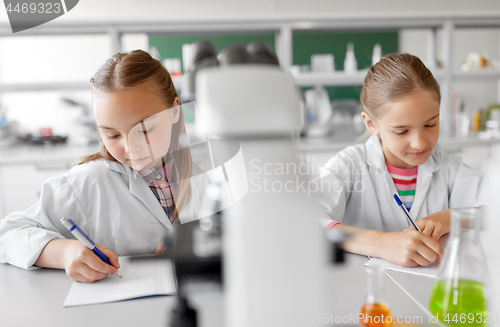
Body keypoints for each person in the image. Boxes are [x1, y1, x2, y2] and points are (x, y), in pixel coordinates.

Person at [0, 50, 204, 283]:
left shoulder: (204, 175)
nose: (130, 147)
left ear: (175, 111)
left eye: (145, 130)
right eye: (112, 134)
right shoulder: (87, 182)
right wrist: (64, 253)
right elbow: (7, 234)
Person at [316, 53, 485, 267]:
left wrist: (453, 216)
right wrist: (382, 244)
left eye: (430, 125)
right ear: (371, 124)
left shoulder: (450, 168)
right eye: (402, 131)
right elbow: (304, 220)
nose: (419, 143)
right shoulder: (349, 165)